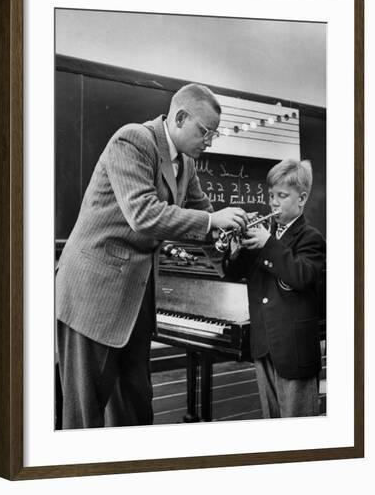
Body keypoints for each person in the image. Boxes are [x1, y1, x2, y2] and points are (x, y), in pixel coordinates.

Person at [56, 83, 249, 429]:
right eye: (205, 132)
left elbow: (204, 214)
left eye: (214, 135)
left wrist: (230, 236)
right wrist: (212, 221)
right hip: (92, 296)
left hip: (134, 298)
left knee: (134, 409)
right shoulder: (132, 140)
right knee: (85, 414)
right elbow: (143, 214)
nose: (209, 141)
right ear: (180, 118)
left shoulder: (186, 164)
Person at [224, 159, 326, 418]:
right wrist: (236, 249)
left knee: (299, 425)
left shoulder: (310, 238)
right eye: (271, 195)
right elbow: (233, 273)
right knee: (271, 419)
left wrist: (268, 243)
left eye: (282, 196)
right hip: (263, 344)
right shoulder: (264, 237)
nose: (273, 202)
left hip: (294, 350)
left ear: (301, 199)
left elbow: (301, 275)